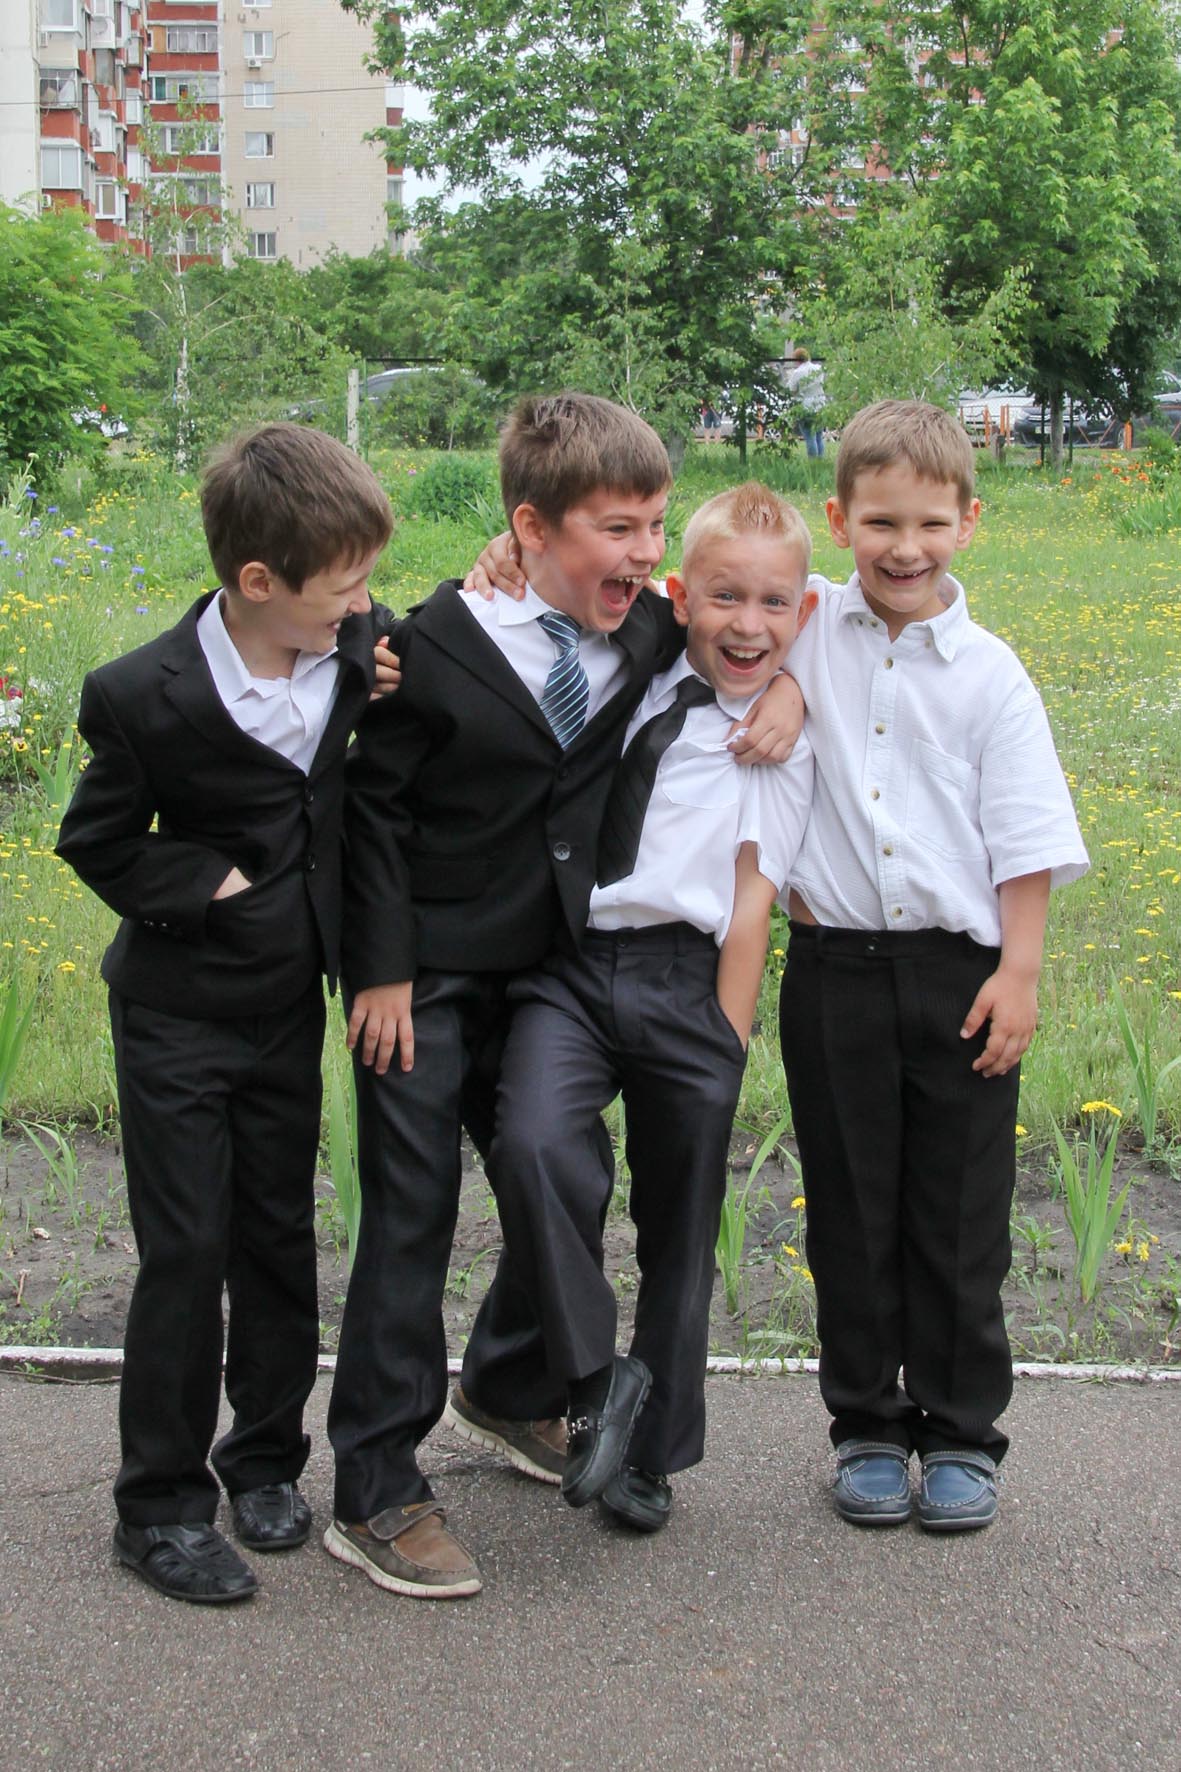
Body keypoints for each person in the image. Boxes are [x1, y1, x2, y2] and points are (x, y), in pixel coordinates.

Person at [324, 392, 803, 1601]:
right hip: (425, 981)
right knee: (413, 1212)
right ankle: (377, 1485)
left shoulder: (642, 626)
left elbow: (783, 605)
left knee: (562, 1173)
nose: (643, 554)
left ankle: (507, 1383)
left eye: (653, 526)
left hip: (549, 974)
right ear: (529, 529)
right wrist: (378, 967)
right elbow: (372, 811)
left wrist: (788, 691)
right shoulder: (432, 644)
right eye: (616, 528)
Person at [55, 423, 395, 1606]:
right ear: (257, 580)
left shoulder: (348, 648)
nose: (362, 602)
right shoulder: (140, 694)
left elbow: (412, 643)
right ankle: (157, 1504)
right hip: (176, 1017)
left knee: (276, 1234)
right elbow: (96, 840)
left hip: (285, 1011)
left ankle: (263, 1460)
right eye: (343, 585)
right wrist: (212, 881)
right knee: (187, 1247)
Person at [777, 399, 1088, 1532]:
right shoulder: (803, 625)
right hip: (833, 972)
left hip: (962, 976)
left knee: (959, 1216)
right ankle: (865, 1423)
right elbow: (697, 600)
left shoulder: (991, 675)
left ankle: (959, 1431)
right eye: (878, 523)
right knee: (849, 1212)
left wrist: (1020, 974)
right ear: (837, 521)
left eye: (927, 523)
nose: (903, 547)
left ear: (968, 521)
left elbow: (1025, 835)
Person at [485, 483, 816, 1535]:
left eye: (773, 604)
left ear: (803, 613)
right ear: (680, 596)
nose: (746, 624)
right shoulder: (631, 659)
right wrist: (494, 553)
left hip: (687, 982)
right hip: (572, 966)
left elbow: (753, 898)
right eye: (723, 598)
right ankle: (595, 1378)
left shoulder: (780, 736)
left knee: (680, 1230)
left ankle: (652, 1453)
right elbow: (559, 584)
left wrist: (725, 1040)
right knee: (534, 1143)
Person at [786, 347, 826, 457]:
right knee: (819, 436)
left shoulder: (798, 372)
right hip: (820, 403)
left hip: (806, 405)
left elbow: (792, 390)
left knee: (809, 437)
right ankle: (820, 460)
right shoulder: (818, 368)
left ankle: (813, 461)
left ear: (796, 359)